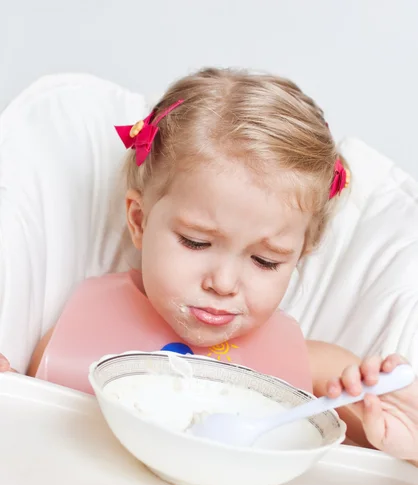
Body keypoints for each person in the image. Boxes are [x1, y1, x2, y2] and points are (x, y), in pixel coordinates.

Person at [1, 67, 417, 464]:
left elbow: (379, 471)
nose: (223, 283)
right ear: (139, 221)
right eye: (196, 242)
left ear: (299, 258)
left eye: (264, 260)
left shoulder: (318, 376)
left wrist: (402, 443)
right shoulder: (79, 335)